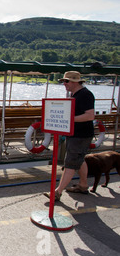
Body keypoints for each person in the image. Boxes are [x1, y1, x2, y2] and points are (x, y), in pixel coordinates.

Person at [45, 71, 95, 201]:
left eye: (66, 81)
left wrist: (68, 120)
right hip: (76, 134)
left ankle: (57, 192)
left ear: (74, 81)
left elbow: (90, 115)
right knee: (80, 159)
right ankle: (83, 185)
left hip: (81, 135)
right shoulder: (76, 94)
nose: (64, 84)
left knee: (70, 163)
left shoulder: (85, 95)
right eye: (63, 82)